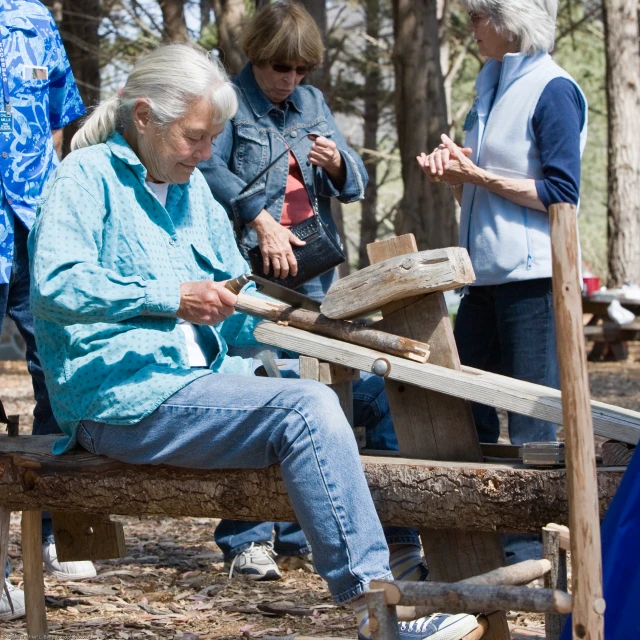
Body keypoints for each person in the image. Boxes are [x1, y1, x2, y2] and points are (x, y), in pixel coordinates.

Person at [29, 43, 478, 640]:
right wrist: (170, 295)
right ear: (144, 117)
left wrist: (306, 326)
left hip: (199, 387)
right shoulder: (83, 179)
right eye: (195, 137)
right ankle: (378, 614)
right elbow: (56, 283)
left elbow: (234, 308)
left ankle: (418, 565)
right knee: (309, 410)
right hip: (118, 400)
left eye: (214, 137)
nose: (207, 153)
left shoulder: (194, 195)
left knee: (370, 393)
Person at [198, 0, 376, 581]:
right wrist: (259, 218)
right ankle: (246, 538)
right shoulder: (228, 101)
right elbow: (207, 170)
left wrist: (340, 163)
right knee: (252, 395)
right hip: (248, 273)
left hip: (313, 273)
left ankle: (301, 531)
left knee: (314, 395)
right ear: (258, 58)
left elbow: (355, 184)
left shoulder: (314, 103)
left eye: (302, 71)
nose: (291, 81)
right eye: (282, 70)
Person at [418, 0, 587, 564]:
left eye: (474, 17)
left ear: (507, 19)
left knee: (536, 424)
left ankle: (535, 553)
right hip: (480, 278)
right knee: (470, 412)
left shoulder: (554, 88)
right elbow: (483, 188)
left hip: (535, 281)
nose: (469, 29)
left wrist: (479, 174)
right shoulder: (488, 83)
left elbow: (561, 194)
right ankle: (485, 544)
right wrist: (456, 176)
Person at [0, 0, 93, 621]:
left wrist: (56, 199)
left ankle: (58, 524)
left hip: (35, 219)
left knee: (59, 368)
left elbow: (61, 118)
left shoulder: (34, 17)